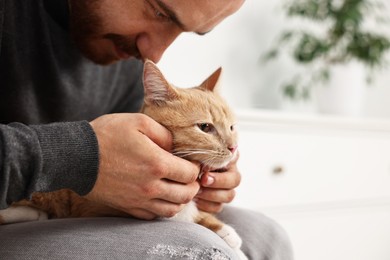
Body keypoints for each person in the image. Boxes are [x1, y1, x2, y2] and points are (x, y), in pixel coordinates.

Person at [0, 0, 293, 259]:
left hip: (68, 214)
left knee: (267, 236)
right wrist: (84, 156)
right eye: (160, 12)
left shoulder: (126, 56)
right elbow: (94, 162)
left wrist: (181, 179)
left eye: (187, 32)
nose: (153, 52)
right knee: (198, 251)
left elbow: (126, 168)